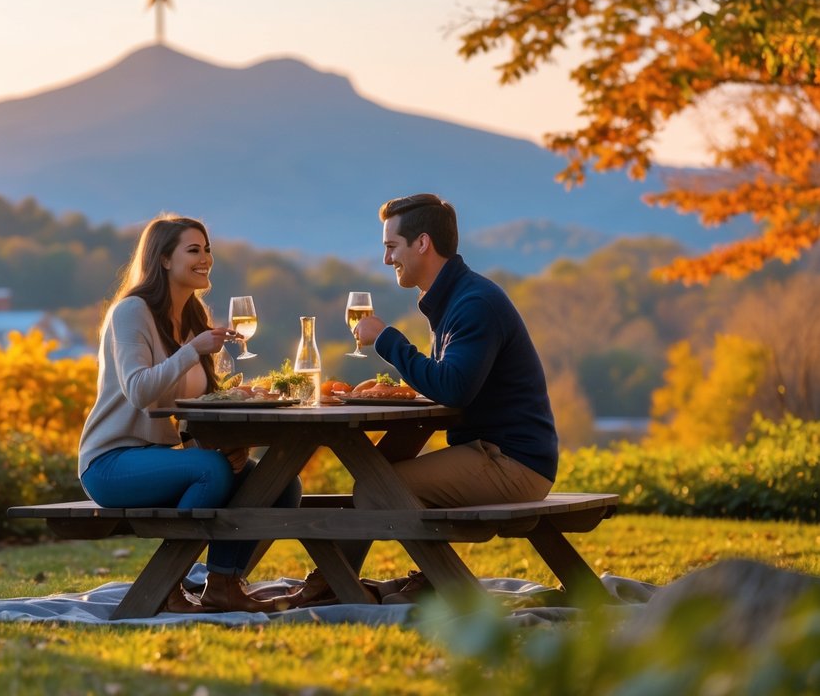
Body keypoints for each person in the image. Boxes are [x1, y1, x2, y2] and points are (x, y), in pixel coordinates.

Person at [288, 193, 558, 606]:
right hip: (494, 453)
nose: (386, 259)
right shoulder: (456, 298)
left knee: (376, 489)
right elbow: (451, 385)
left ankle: (353, 584)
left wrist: (387, 340)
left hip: (512, 463)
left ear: (423, 243)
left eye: (390, 247)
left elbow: (452, 388)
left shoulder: (474, 304)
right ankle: (353, 580)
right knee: (379, 475)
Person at [78, 214, 302, 613]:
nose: (206, 258)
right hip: (111, 462)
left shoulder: (192, 316)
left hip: (165, 458)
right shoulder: (132, 312)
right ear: (164, 259)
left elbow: (192, 409)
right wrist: (192, 350)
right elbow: (140, 392)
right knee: (210, 471)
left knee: (281, 482)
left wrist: (224, 439)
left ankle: (223, 583)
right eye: (193, 250)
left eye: (208, 250)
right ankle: (168, 585)